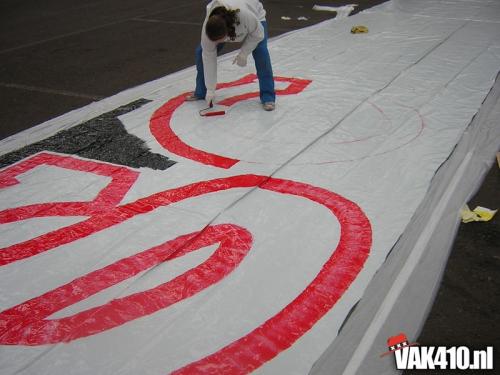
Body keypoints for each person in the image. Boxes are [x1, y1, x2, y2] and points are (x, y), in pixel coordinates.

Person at [187, 0, 276, 111]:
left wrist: (244, 53)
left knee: (261, 53)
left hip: (255, 18)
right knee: (201, 52)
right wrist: (210, 89)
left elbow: (258, 34)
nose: (216, 43)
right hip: (226, 26)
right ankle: (201, 91)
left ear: (227, 33)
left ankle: (268, 96)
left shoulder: (244, 15)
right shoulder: (208, 28)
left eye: (219, 40)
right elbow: (208, 57)